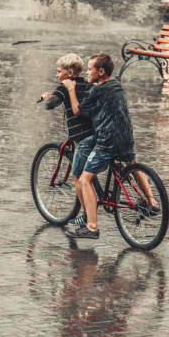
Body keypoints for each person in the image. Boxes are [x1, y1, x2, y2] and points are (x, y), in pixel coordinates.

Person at [62, 54, 159, 239]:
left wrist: (72, 89)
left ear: (101, 71)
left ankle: (91, 227)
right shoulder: (116, 85)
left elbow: (77, 111)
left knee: (84, 180)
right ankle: (152, 202)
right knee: (132, 164)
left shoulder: (96, 92)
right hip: (126, 137)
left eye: (90, 69)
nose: (88, 72)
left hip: (108, 140)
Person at [41, 55, 95, 224]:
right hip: (96, 132)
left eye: (59, 72)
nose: (57, 75)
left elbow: (50, 104)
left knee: (77, 175)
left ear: (70, 73)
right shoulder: (88, 84)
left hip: (82, 136)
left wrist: (46, 97)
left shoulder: (64, 87)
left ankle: (87, 215)